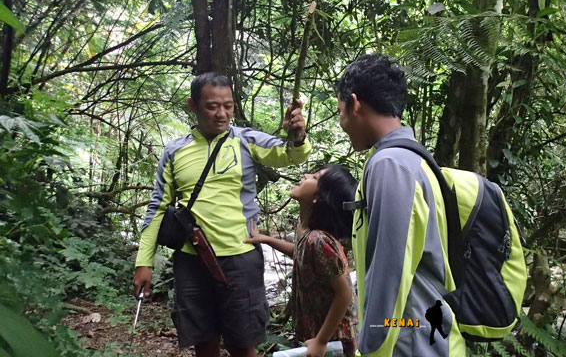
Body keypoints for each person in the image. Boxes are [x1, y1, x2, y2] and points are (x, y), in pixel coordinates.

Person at [132, 72, 311, 357]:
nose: (222, 114)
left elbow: (292, 155)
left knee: (243, 344)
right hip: (191, 259)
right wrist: (144, 263)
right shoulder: (175, 151)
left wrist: (297, 133)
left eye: (228, 106)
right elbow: (157, 207)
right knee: (203, 342)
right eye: (212, 106)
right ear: (193, 105)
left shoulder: (246, 141)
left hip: (240, 257)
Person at [336, 54, 466, 356]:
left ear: (354, 104)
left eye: (340, 111)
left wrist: (370, 349)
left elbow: (389, 273)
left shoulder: (390, 165)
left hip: (411, 345)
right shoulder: (412, 158)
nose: (342, 122)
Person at [244, 164, 358, 357]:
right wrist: (267, 239)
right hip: (318, 333)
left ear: (319, 198)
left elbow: (344, 293)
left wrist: (321, 341)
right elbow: (300, 253)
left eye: (314, 177)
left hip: (334, 338)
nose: (305, 175)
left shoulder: (320, 240)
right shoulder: (306, 232)